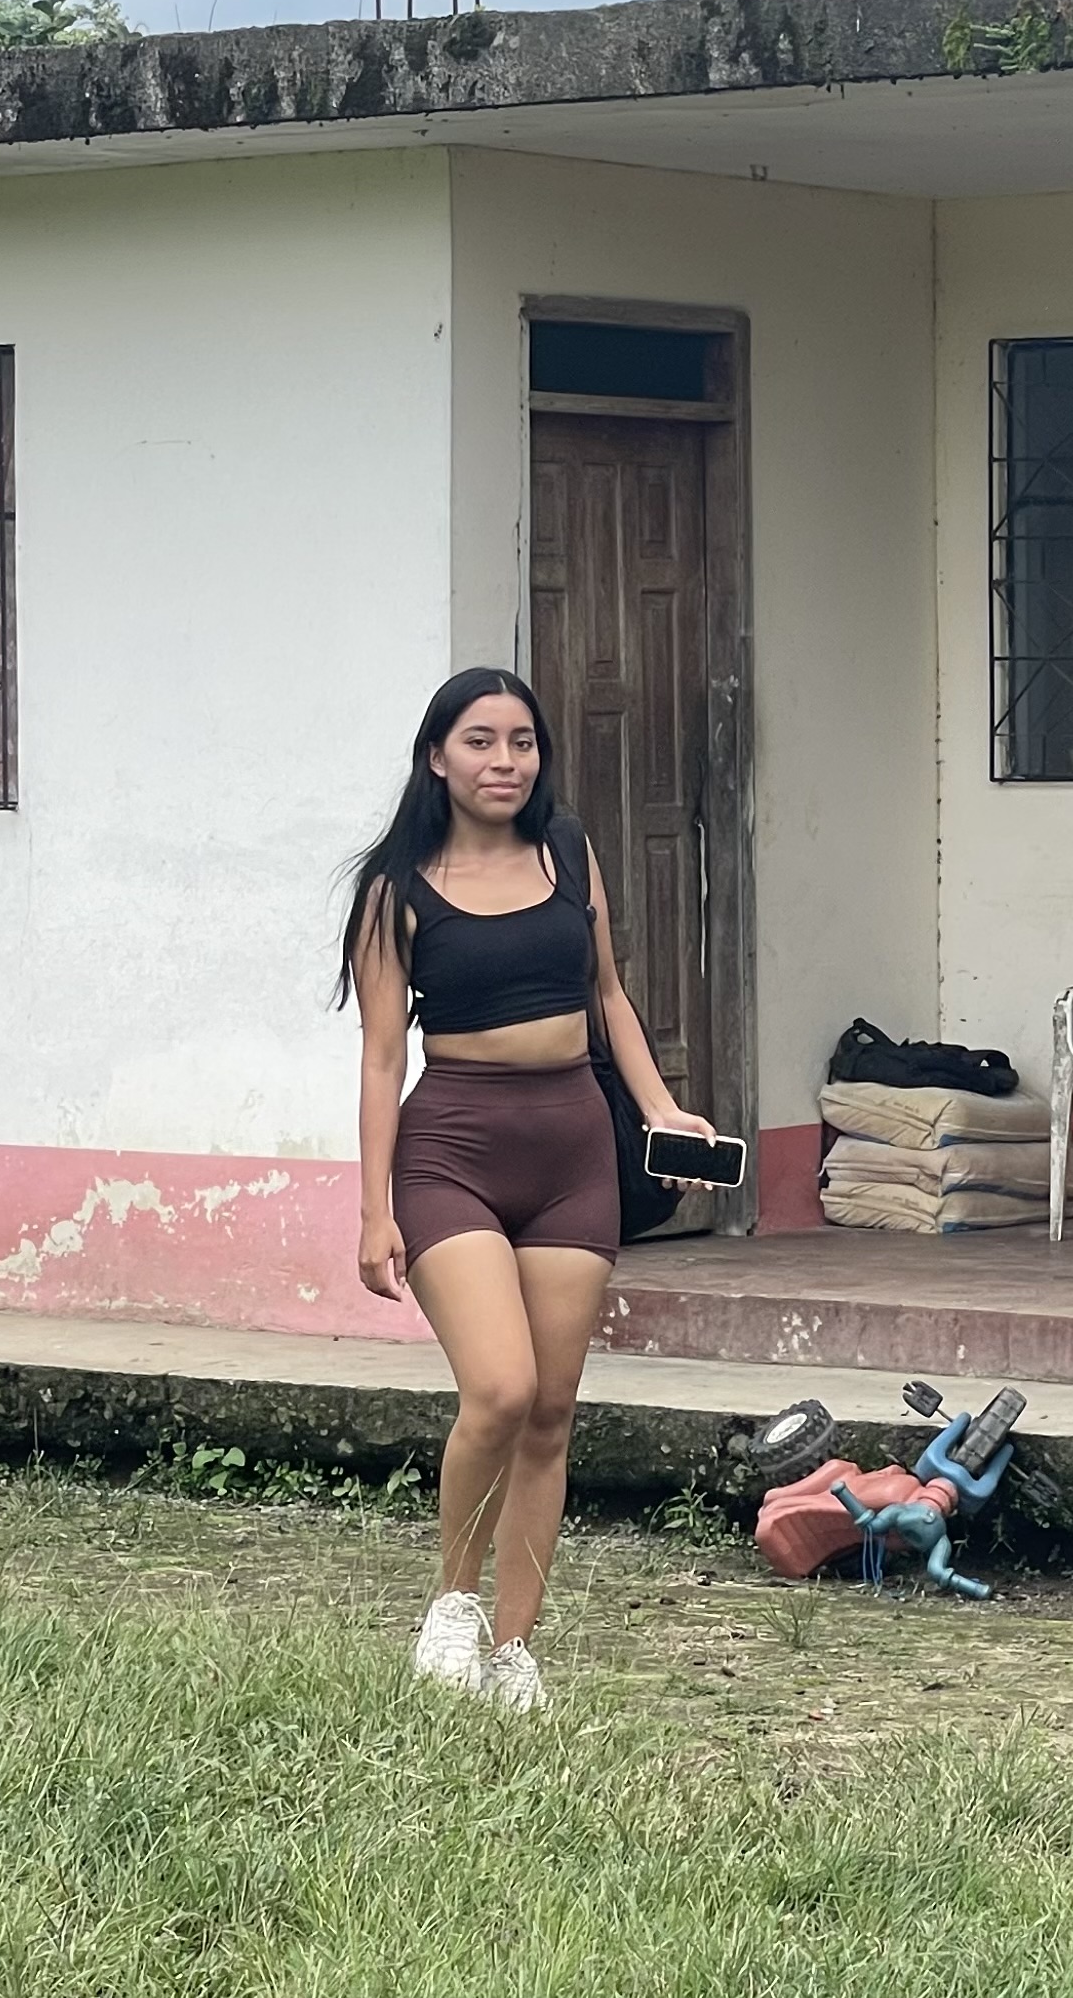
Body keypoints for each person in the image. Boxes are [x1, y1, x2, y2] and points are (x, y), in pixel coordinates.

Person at [339, 667, 718, 1710]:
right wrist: (374, 1210)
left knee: (550, 1412)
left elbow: (608, 995)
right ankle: (452, 1605)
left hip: (573, 1151)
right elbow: (381, 1059)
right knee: (500, 1390)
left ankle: (513, 1651)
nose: (504, 761)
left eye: (522, 741)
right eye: (480, 741)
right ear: (437, 757)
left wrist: (661, 1110)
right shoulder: (396, 891)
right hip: (452, 1151)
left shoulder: (568, 851)